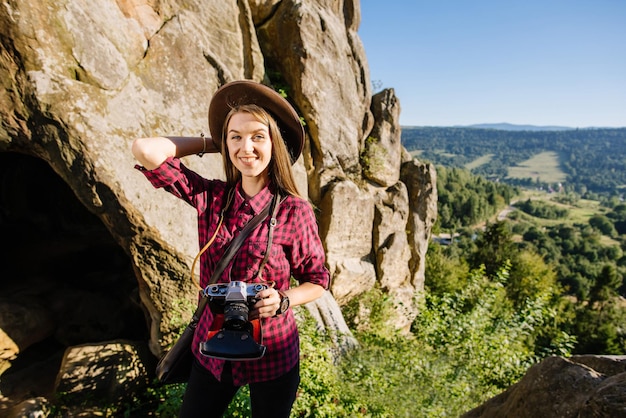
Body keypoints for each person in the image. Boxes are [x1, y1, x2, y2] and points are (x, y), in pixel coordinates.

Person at [132, 80, 330, 417]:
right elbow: (145, 150)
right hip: (212, 349)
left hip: (274, 350)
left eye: (257, 136)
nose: (246, 147)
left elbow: (317, 281)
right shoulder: (211, 198)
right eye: (236, 136)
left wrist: (282, 299)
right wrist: (215, 142)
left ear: (274, 144)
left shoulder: (294, 211)